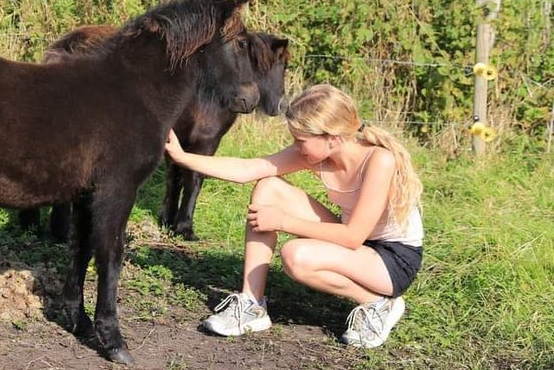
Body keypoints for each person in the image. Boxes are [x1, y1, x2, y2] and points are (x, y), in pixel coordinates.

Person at [164, 83, 423, 348]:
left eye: (300, 141)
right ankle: (252, 304)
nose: (296, 147)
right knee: (268, 187)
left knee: (296, 255)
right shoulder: (317, 154)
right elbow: (249, 168)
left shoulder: (379, 161)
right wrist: (182, 157)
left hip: (392, 258)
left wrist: (283, 222)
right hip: (357, 244)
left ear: (332, 138)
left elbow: (353, 237)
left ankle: (378, 303)